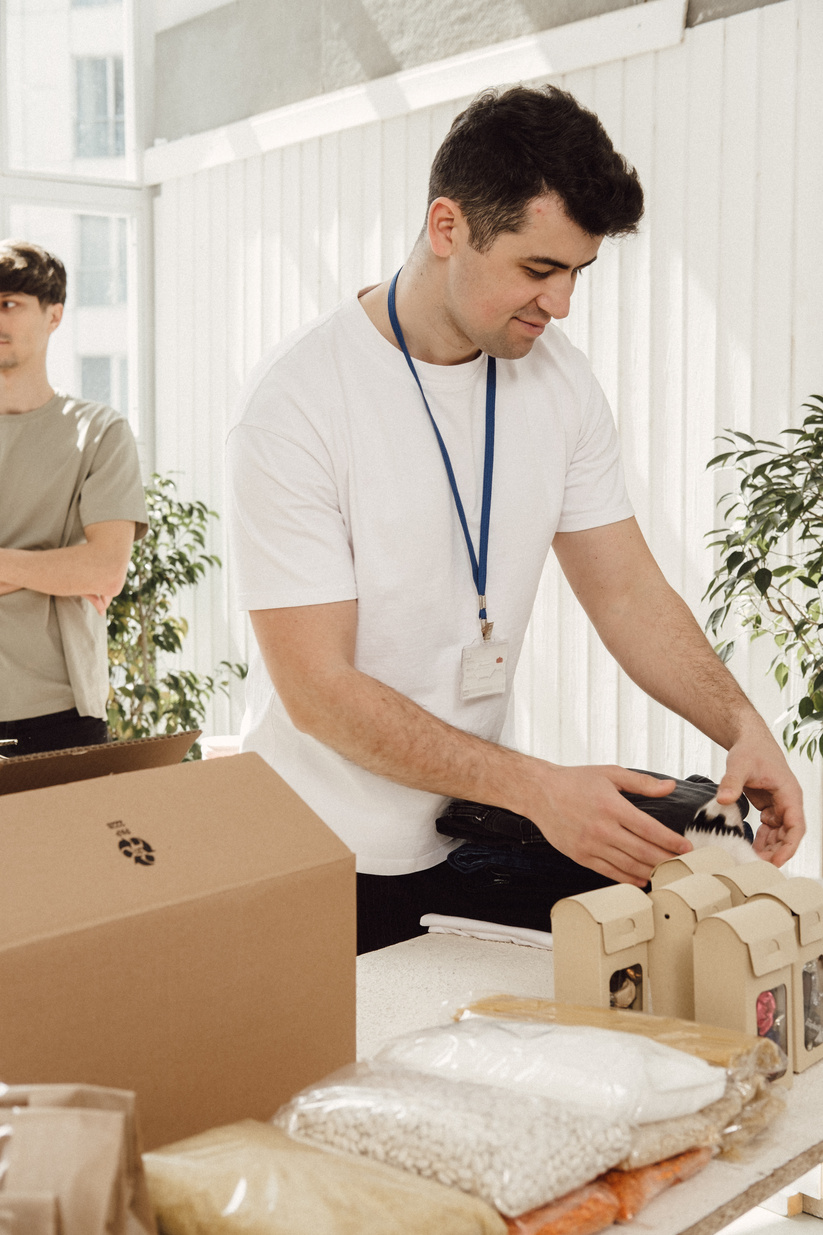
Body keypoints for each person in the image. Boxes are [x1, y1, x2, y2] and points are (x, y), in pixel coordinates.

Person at [226, 85, 805, 953]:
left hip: (458, 837)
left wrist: (740, 723)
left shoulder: (558, 379)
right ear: (447, 226)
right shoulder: (297, 406)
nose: (561, 303)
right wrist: (535, 787)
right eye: (539, 269)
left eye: (577, 272)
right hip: (307, 855)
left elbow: (626, 591)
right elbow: (318, 691)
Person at [0, 239, 148, 755]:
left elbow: (105, 570)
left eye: (9, 303)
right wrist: (48, 571)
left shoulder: (99, 432)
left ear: (54, 315)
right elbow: (83, 570)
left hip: (59, 713)